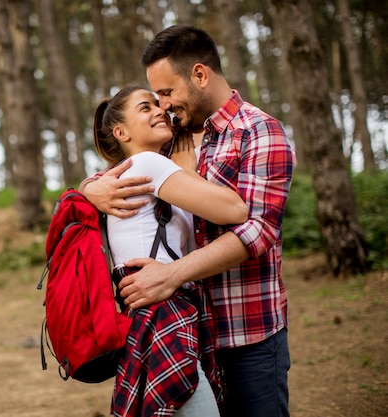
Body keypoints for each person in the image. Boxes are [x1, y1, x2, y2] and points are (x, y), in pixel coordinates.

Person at [81, 25, 296, 417]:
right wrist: (87, 189)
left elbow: (258, 231)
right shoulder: (170, 135)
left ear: (199, 75)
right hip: (189, 331)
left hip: (246, 332)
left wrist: (173, 274)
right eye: (155, 98)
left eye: (165, 92)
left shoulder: (260, 132)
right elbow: (123, 168)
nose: (163, 105)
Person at [92, 85, 248, 417]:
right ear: (120, 132)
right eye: (144, 108)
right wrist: (187, 168)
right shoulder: (147, 163)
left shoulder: (124, 174)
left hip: (154, 310)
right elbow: (235, 211)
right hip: (165, 311)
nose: (159, 110)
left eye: (157, 104)